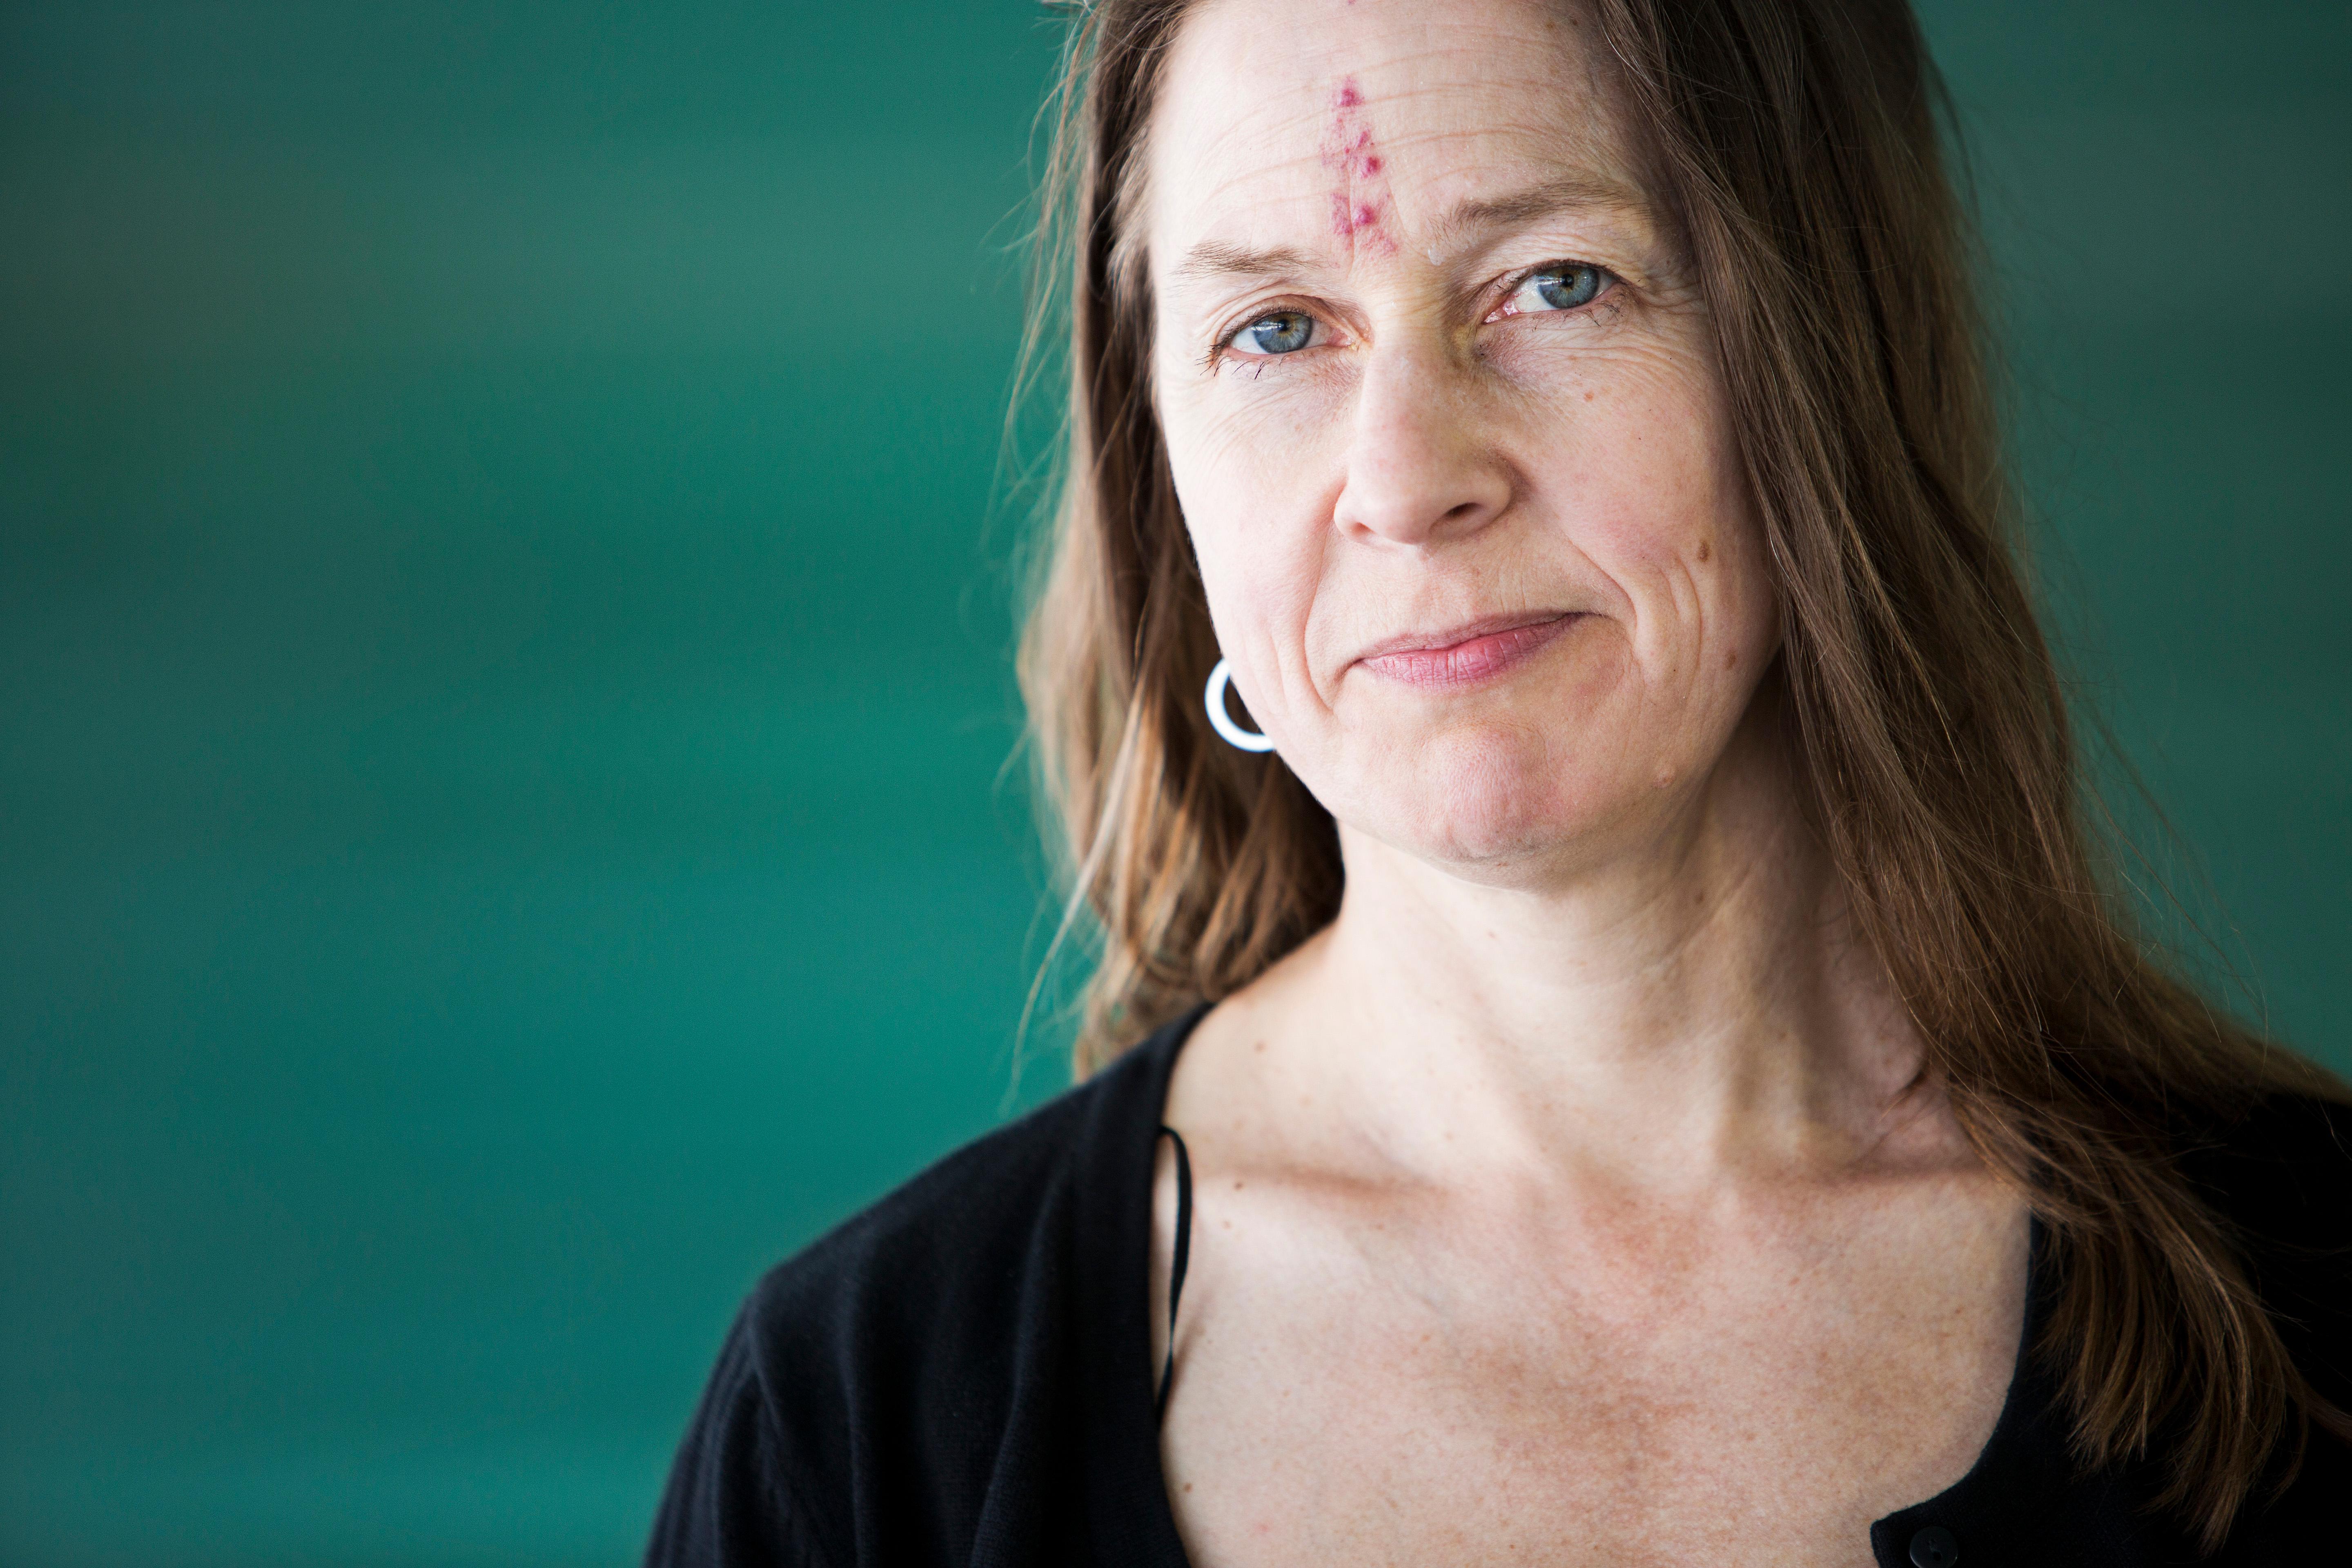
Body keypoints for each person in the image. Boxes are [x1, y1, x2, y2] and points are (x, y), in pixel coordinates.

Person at [645, 0, 2350, 1562]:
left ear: (1828, 354)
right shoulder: (859, 1424)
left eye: (1556, 284)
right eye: (1277, 329)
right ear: (1159, 461)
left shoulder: (2315, 1304)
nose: (1404, 479)